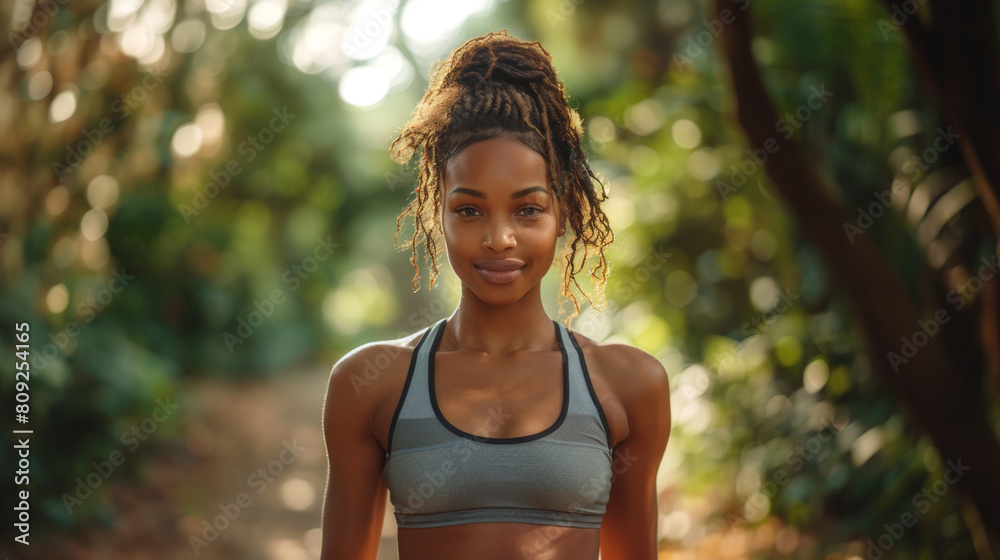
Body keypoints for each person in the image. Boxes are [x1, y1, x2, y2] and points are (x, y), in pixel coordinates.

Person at [321, 30, 671, 560]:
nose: (499, 238)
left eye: (528, 209)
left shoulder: (629, 385)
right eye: (469, 210)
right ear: (437, 215)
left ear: (564, 214)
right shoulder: (369, 384)